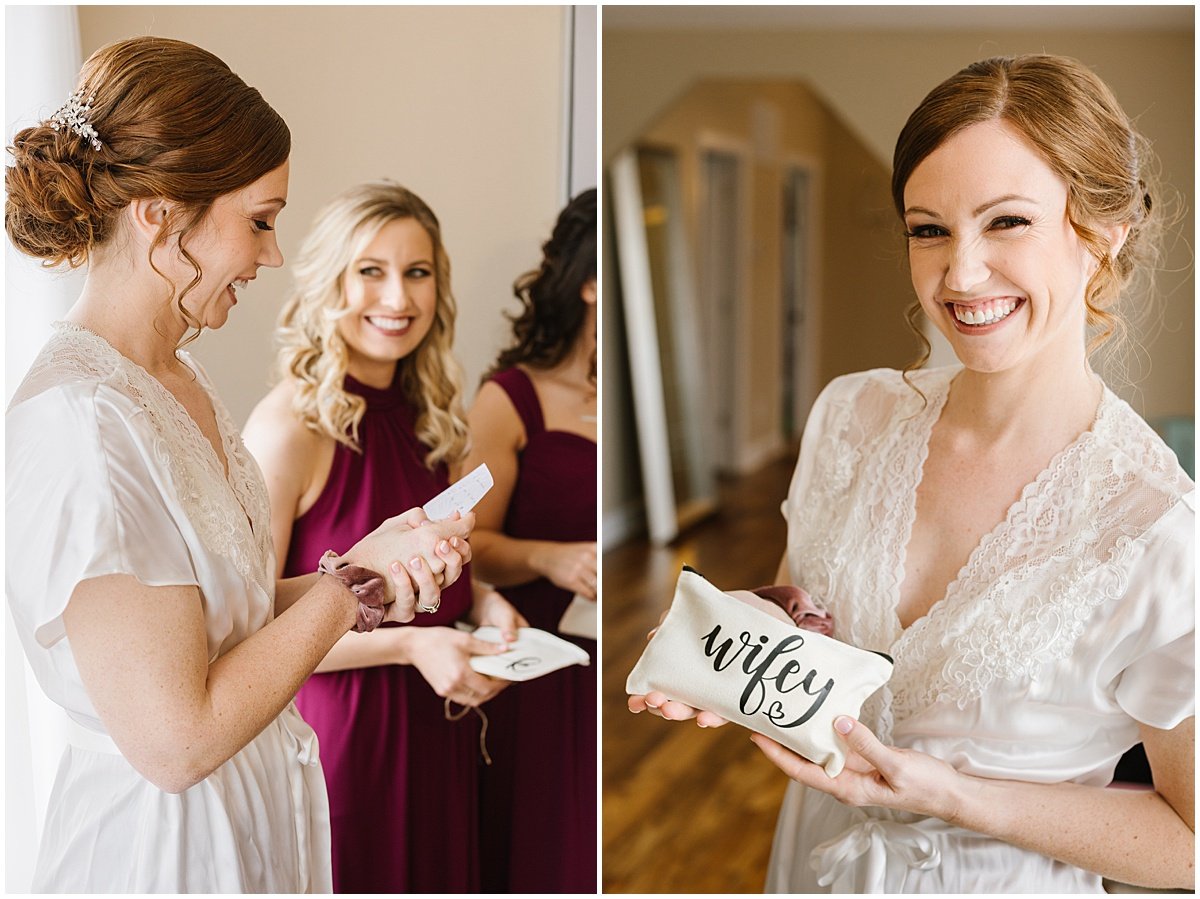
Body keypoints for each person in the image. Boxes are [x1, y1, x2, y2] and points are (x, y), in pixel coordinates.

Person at [629, 55, 1194, 893]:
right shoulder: (850, 418)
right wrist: (748, 641)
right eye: (928, 229)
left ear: (1101, 234)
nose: (960, 274)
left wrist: (963, 798)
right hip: (813, 863)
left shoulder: (1155, 529)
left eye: (1006, 222)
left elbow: (1191, 840)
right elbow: (806, 616)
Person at [4, 38, 472, 893]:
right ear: (160, 212)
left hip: (254, 820)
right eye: (258, 219)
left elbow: (229, 620)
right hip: (164, 854)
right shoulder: (83, 421)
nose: (270, 255)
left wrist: (367, 562)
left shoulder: (179, 380)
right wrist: (342, 594)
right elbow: (177, 738)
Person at [242, 180, 525, 893]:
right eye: (371, 271)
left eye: (417, 272)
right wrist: (407, 643)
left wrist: (485, 602)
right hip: (344, 745)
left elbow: (445, 565)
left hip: (443, 731)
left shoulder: (439, 421)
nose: (397, 299)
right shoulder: (289, 429)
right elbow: (246, 623)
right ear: (330, 281)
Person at [460, 188, 598, 892]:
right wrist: (551, 556)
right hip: (542, 670)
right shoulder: (511, 398)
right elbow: (468, 543)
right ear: (591, 284)